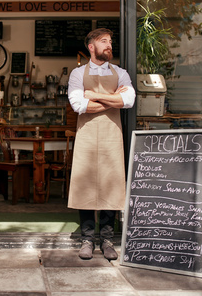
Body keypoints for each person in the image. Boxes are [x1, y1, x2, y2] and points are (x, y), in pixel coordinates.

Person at [67, 28, 135, 260]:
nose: (109, 45)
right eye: (103, 41)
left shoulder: (121, 73)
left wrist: (94, 96)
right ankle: (87, 238)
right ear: (91, 47)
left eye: (110, 41)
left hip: (111, 136)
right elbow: (79, 105)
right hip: (86, 136)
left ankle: (107, 239)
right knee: (85, 185)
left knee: (111, 185)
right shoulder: (77, 74)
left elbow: (129, 100)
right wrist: (113, 100)